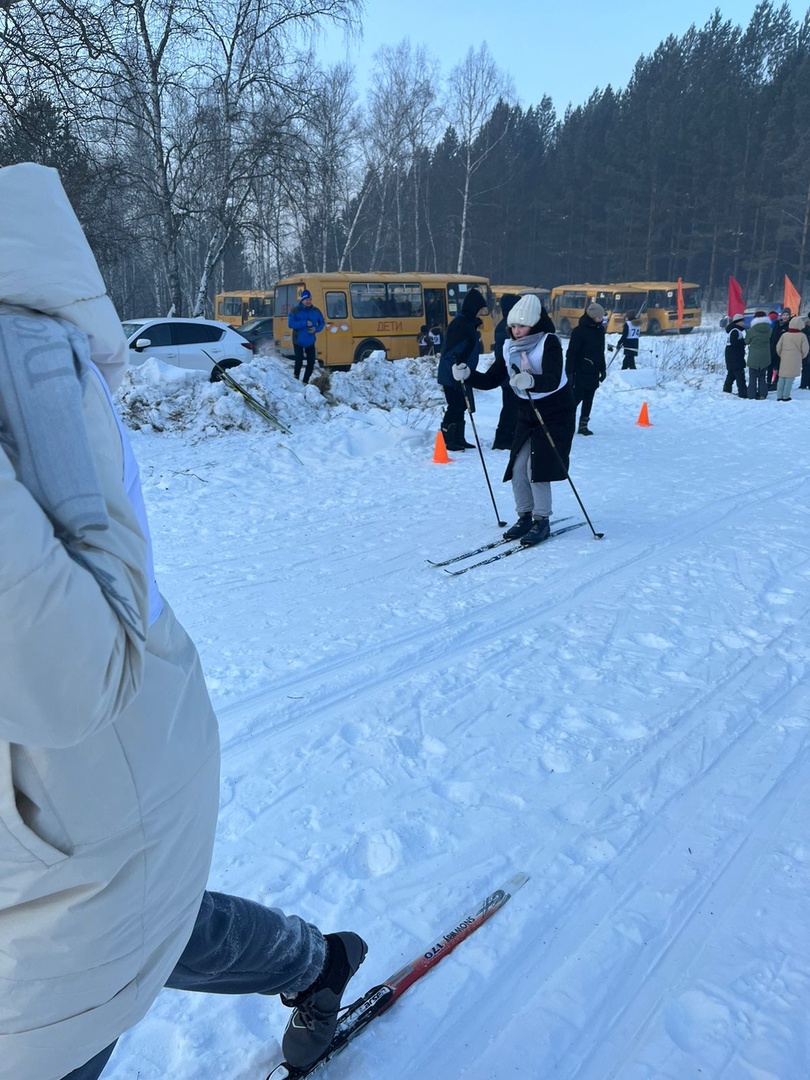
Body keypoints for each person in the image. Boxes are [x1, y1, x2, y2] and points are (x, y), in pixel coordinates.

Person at [0, 163, 367, 1080]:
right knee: (144, 913)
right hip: (112, 775)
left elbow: (51, 651)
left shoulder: (25, 357)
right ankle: (317, 960)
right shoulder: (37, 352)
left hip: (85, 801)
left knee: (110, 927)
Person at [451, 292, 575, 546]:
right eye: (513, 326)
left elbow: (552, 377)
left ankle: (542, 519)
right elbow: (491, 379)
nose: (516, 331)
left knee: (536, 468)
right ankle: (525, 515)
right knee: (518, 466)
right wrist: (467, 375)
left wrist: (532, 381)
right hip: (526, 412)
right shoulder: (509, 346)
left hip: (555, 411)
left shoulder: (548, 342)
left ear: (534, 323)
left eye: (521, 326)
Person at [436, 287, 488, 452]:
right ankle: (448, 440)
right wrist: (456, 372)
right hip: (453, 374)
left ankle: (459, 438)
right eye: (480, 309)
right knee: (455, 405)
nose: (481, 312)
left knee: (462, 405)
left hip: (463, 374)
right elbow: (451, 353)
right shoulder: (461, 325)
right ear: (473, 307)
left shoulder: (468, 324)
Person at [566, 302, 607, 435]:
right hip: (580, 370)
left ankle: (583, 425)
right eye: (599, 317)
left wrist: (603, 368)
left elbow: (601, 351)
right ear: (592, 316)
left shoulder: (600, 330)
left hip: (594, 370)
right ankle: (565, 422)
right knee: (576, 398)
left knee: (589, 398)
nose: (601, 319)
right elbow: (571, 352)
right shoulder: (579, 331)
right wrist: (570, 371)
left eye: (602, 317)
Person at [491, 292, 521, 449]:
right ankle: (503, 440)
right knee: (510, 408)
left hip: (510, 375)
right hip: (509, 375)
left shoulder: (506, 325)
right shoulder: (506, 328)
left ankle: (508, 437)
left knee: (512, 408)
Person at [287, 289, 325, 383]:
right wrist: (305, 323)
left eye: (310, 299)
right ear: (302, 300)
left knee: (311, 362)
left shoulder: (316, 311)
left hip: (310, 340)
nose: (308, 301)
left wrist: (316, 329)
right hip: (298, 340)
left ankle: (305, 380)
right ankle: (296, 378)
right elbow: (291, 324)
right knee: (299, 361)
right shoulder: (295, 310)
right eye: (306, 299)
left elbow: (322, 322)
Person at [775, 315, 809, 401]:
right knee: (790, 378)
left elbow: (778, 347)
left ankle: (779, 396)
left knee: (782, 377)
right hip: (795, 358)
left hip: (784, 357)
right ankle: (786, 396)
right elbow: (805, 349)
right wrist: (802, 356)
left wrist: (782, 355)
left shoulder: (785, 335)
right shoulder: (802, 336)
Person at [745, 310, 772, 399]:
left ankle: (751, 395)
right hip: (765, 356)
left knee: (752, 378)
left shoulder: (751, 330)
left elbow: (747, 341)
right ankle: (762, 394)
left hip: (754, 357)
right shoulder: (770, 329)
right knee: (762, 377)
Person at [722, 312, 747, 397]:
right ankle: (743, 392)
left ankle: (726, 389)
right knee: (740, 376)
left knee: (731, 374)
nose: (743, 323)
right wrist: (744, 342)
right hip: (735, 357)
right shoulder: (735, 331)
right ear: (738, 322)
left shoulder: (732, 330)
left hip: (730, 356)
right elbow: (734, 342)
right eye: (742, 321)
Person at [768, 307, 791, 392]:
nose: (785, 317)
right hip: (773, 347)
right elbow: (773, 335)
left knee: (779, 367)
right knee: (770, 366)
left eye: (787, 315)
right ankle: (768, 382)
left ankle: (776, 382)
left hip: (783, 349)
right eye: (784, 315)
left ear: (789, 316)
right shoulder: (777, 323)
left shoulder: (789, 325)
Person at [800, 311, 810, 389]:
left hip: (806, 349)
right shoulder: (805, 328)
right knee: (806, 366)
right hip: (806, 348)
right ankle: (805, 383)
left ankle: (804, 383)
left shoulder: (804, 328)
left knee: (805, 366)